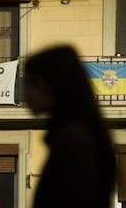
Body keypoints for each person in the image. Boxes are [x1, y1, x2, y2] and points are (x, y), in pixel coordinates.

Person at [24, 45, 116, 208]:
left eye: (29, 83)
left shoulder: (74, 140)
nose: (25, 94)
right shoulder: (75, 136)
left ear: (47, 86)